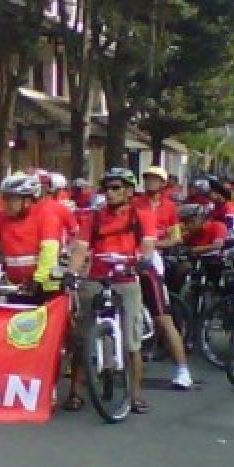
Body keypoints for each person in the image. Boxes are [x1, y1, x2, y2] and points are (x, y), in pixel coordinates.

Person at [64, 167, 158, 414]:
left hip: (126, 276)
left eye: (116, 188)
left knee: (131, 339)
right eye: (107, 188)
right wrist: (72, 274)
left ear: (129, 191)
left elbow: (147, 243)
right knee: (82, 336)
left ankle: (136, 394)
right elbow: (81, 248)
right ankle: (75, 391)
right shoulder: (93, 217)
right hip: (97, 275)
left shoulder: (142, 215)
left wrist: (144, 259)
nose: (110, 193)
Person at [136, 165, 194, 388]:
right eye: (147, 178)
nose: (150, 183)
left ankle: (182, 370)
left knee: (163, 318)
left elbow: (176, 238)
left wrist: (153, 243)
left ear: (163, 184)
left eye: (154, 180)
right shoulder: (135, 204)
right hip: (132, 257)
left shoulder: (170, 208)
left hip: (154, 258)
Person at [0, 173, 61, 299]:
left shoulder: (46, 217)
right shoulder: (1, 218)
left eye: (10, 199)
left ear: (27, 201)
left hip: (43, 287)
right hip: (16, 287)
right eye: (3, 198)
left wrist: (37, 280)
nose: (4, 204)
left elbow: (49, 251)